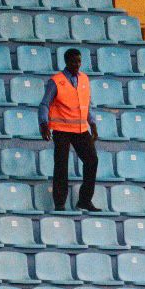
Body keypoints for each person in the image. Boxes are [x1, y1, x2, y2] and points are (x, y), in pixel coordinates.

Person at [39, 47, 99, 212]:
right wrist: (44, 124)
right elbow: (45, 103)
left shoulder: (84, 79)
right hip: (61, 129)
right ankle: (60, 203)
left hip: (80, 128)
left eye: (79, 61)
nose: (77, 64)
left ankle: (84, 200)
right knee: (61, 166)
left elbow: (88, 104)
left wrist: (92, 123)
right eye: (74, 61)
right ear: (66, 62)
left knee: (92, 160)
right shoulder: (56, 80)